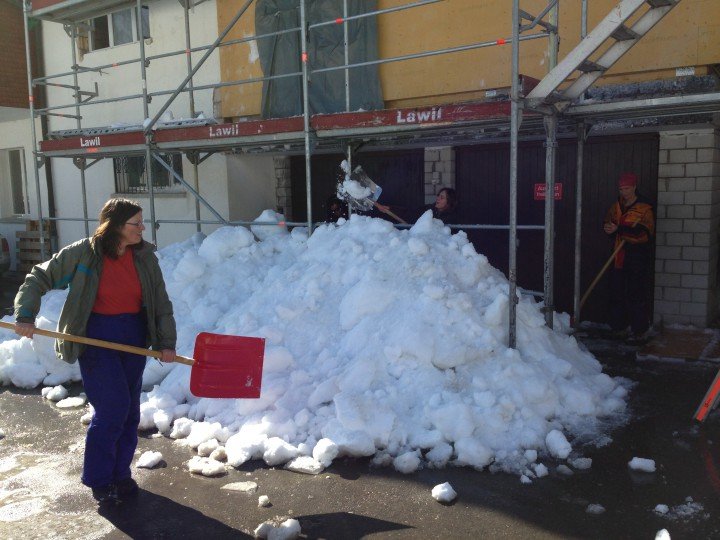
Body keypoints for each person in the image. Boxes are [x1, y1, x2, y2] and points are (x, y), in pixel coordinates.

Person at [13, 198, 177, 504]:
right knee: (113, 407)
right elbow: (39, 276)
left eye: (142, 222)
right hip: (96, 339)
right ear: (116, 226)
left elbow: (160, 301)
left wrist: (166, 343)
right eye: (136, 223)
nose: (143, 228)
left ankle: (120, 474)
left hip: (133, 337)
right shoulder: (85, 253)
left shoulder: (144, 257)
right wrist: (25, 314)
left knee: (130, 411)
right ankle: (99, 479)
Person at [603, 172, 655, 344]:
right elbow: (608, 222)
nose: (624, 192)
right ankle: (619, 328)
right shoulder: (616, 206)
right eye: (621, 189)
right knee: (616, 292)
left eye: (626, 188)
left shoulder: (644, 208)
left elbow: (644, 234)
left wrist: (619, 230)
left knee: (635, 294)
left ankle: (640, 331)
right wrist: (608, 228)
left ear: (634, 187)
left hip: (636, 258)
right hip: (618, 256)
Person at [375, 187, 459, 225]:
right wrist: (390, 208)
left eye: (442, 197)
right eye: (438, 196)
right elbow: (409, 211)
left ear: (449, 202)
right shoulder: (429, 210)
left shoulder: (453, 218)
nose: (438, 198)